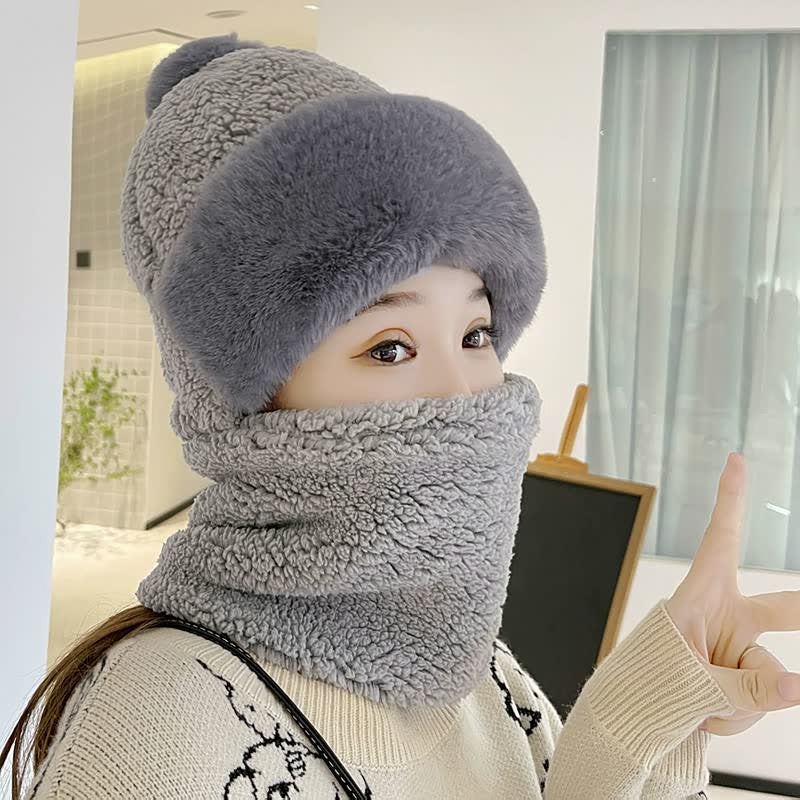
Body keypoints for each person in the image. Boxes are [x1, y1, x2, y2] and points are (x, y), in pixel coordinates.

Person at [3, 32, 800, 800]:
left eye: (476, 333)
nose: (466, 393)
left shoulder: (482, 675)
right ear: (243, 403)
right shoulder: (155, 732)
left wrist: (642, 723)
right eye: (390, 347)